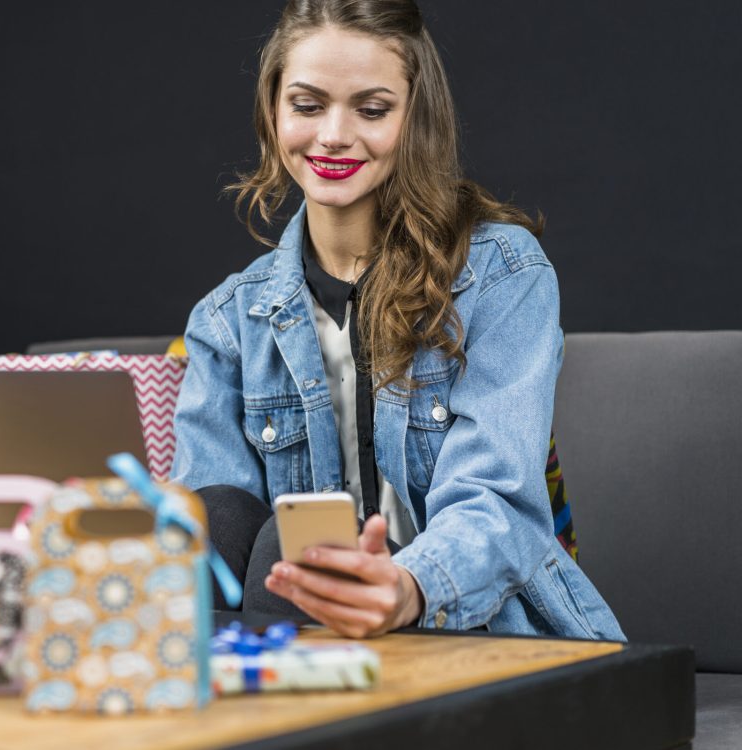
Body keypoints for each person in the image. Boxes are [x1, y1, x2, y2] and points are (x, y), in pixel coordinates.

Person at [170, 0, 624, 640]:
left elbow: (499, 504)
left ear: (416, 119)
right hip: (295, 626)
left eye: (372, 109)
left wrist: (409, 587)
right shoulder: (225, 322)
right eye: (306, 105)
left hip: (484, 630)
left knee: (296, 550)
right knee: (216, 519)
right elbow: (213, 542)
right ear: (273, 114)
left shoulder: (502, 274)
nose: (333, 134)